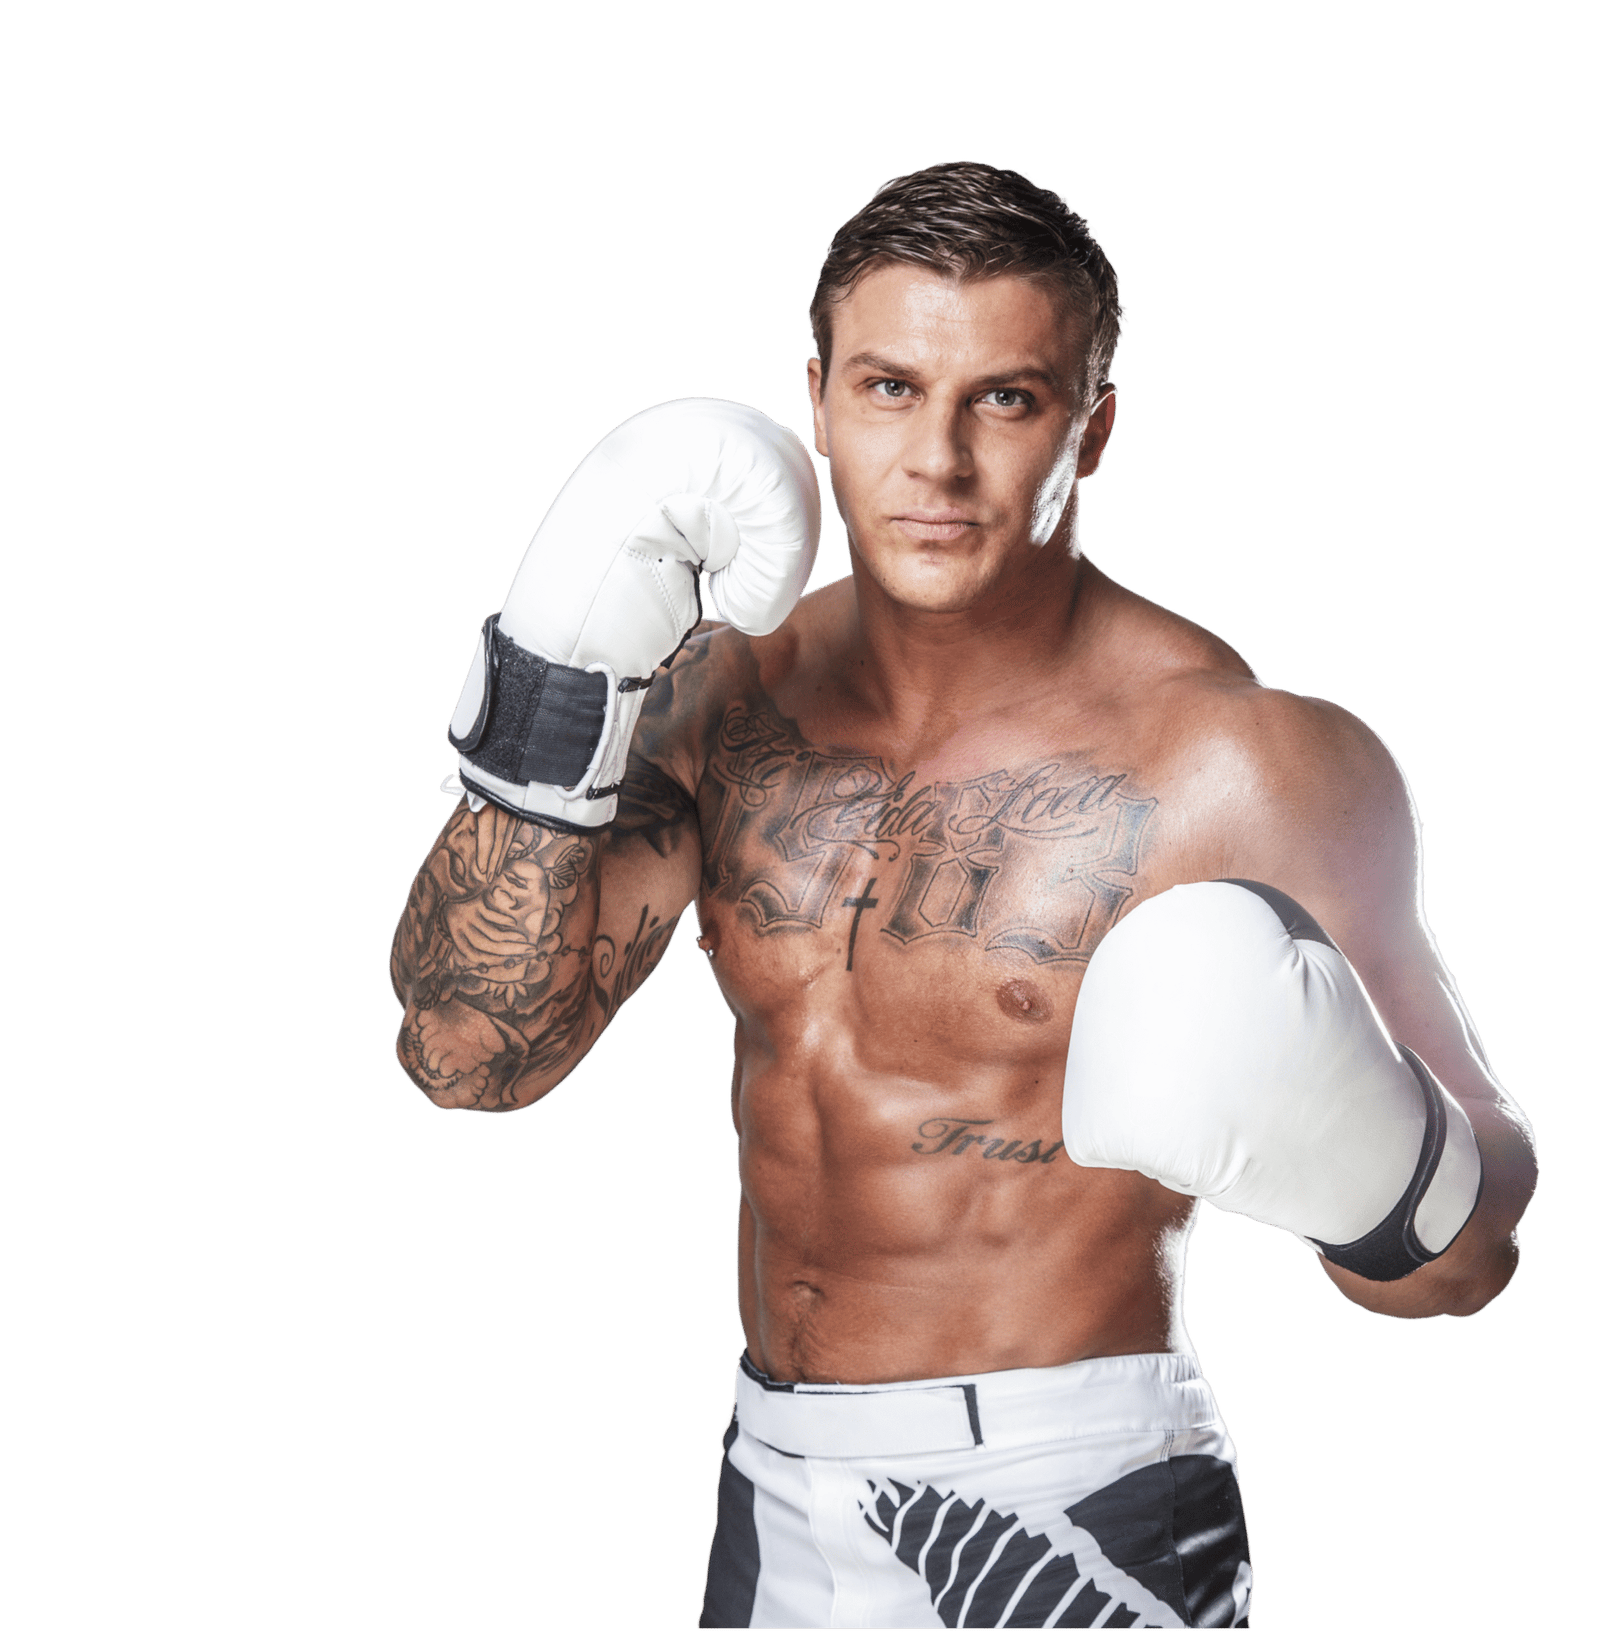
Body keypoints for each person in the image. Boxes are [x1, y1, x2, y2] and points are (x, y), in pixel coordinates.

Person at [387, 162, 1538, 1631]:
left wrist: (1371, 1166)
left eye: (1005, 399)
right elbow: (467, 1056)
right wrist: (549, 708)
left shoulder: (1239, 765)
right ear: (816, 402)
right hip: (770, 1483)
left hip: (1072, 1494)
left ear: (1092, 430)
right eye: (889, 388)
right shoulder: (729, 702)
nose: (935, 459)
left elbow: (1472, 1259)